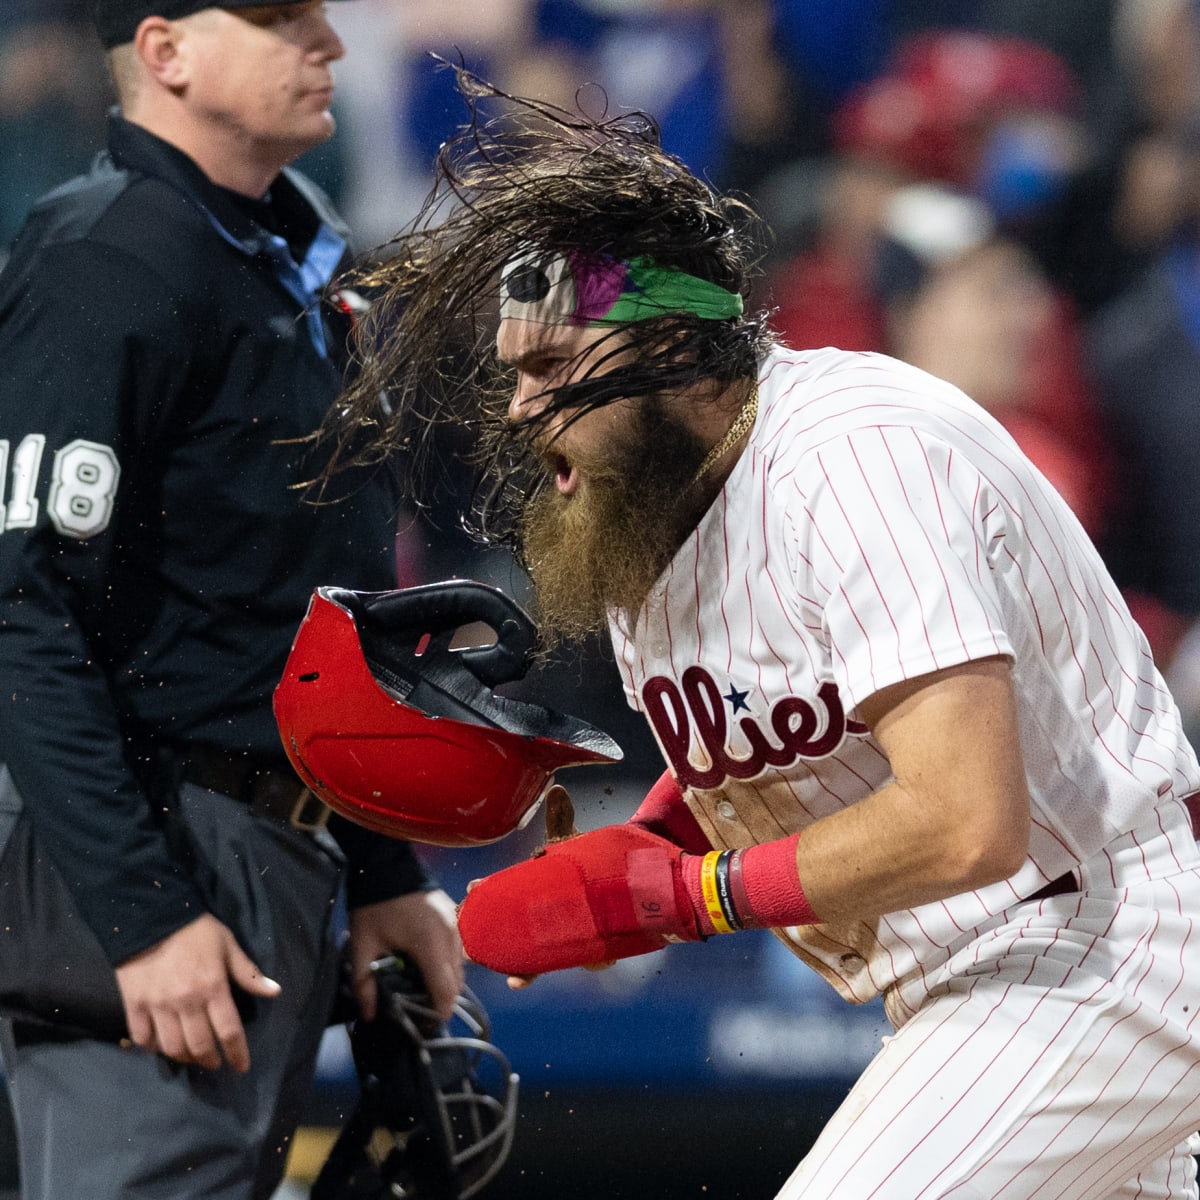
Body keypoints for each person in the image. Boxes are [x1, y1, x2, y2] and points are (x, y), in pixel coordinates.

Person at [320, 70, 1200, 1198]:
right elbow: (791, 736)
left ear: (677, 355)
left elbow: (965, 817)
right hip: (979, 982)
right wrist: (641, 849)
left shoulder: (856, 458)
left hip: (1097, 948)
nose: (524, 407)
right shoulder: (650, 508)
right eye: (516, 376)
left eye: (552, 369)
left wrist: (684, 900)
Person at [0, 3, 463, 1198]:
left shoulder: (293, 247)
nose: (329, 46)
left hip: (275, 848)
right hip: (149, 843)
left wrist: (381, 871)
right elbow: (20, 613)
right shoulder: (105, 255)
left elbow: (316, 615)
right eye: (278, 21)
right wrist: (140, 917)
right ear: (166, 54)